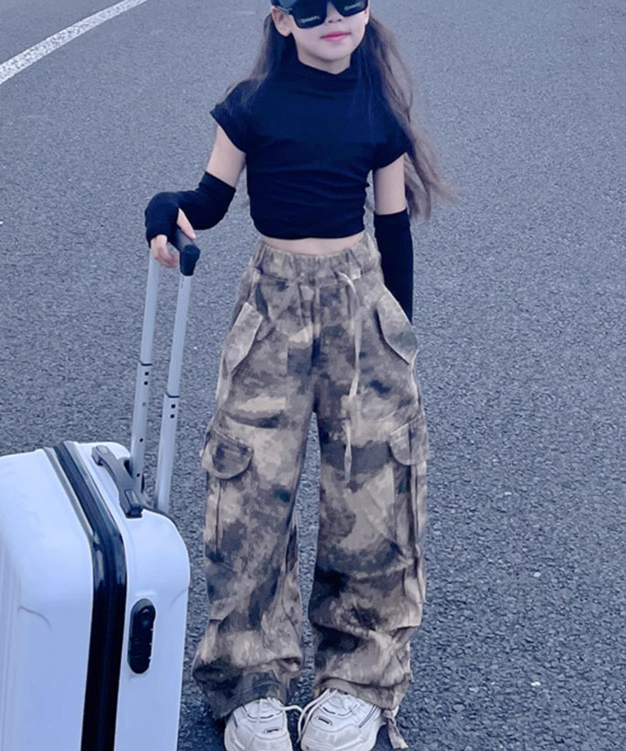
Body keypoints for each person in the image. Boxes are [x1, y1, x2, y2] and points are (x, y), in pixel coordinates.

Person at [144, 3, 456, 749]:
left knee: (373, 489)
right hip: (272, 306)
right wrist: (166, 209)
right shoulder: (250, 106)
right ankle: (249, 682)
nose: (334, 17)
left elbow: (393, 228)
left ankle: (358, 682)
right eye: (311, 7)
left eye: (349, 0)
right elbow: (208, 202)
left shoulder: (377, 107)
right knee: (249, 489)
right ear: (282, 21)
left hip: (361, 301)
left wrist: (399, 338)